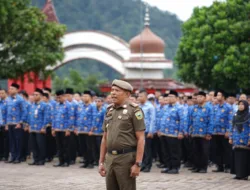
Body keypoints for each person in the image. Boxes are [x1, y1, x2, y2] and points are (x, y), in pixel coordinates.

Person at [98, 79, 145, 190]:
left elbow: (141, 138)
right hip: (110, 158)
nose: (113, 93)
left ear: (127, 94)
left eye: (117, 90)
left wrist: (137, 164)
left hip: (126, 159)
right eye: (112, 90)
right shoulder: (109, 110)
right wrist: (101, 162)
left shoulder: (134, 110)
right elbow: (105, 137)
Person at [185, 91, 213, 173]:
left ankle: (203, 167)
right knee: (195, 151)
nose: (199, 98)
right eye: (198, 97)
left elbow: (211, 121)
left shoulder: (208, 108)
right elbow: (189, 120)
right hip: (194, 133)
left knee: (204, 151)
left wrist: (209, 133)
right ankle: (197, 166)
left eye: (201, 97)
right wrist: (188, 130)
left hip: (204, 134)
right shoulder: (194, 108)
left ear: (204, 98)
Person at [160, 90, 184, 174]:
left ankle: (175, 167)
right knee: (166, 151)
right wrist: (160, 129)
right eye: (168, 97)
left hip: (174, 133)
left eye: (171, 97)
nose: (169, 98)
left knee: (174, 151)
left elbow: (182, 120)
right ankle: (168, 166)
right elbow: (162, 118)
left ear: (176, 98)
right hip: (164, 132)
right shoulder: (166, 107)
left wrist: (181, 132)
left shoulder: (180, 108)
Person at [212, 90, 233, 173]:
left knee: (226, 149)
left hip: (224, 132)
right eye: (217, 95)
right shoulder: (215, 107)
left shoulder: (228, 107)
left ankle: (228, 166)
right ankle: (219, 166)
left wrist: (228, 131)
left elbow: (230, 120)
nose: (217, 97)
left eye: (219, 95)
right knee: (217, 149)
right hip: (216, 131)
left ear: (223, 97)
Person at [6, 83, 27, 164]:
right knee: (11, 141)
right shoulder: (8, 99)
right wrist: (7, 123)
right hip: (10, 123)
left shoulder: (20, 99)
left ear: (17, 90)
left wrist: (20, 122)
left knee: (18, 141)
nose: (10, 90)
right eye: (10, 88)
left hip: (17, 123)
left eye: (12, 89)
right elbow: (7, 112)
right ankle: (13, 156)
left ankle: (18, 157)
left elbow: (24, 111)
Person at [52, 90, 74, 167]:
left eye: (60, 97)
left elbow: (70, 118)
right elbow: (54, 117)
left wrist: (68, 129)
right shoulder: (56, 105)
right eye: (57, 97)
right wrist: (53, 128)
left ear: (64, 96)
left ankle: (66, 161)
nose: (58, 99)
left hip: (65, 129)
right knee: (59, 146)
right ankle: (61, 161)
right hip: (57, 128)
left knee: (66, 146)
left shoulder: (68, 105)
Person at [27, 88, 49, 166]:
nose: (35, 96)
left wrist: (43, 127)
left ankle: (41, 159)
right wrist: (28, 125)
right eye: (34, 95)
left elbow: (46, 117)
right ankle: (35, 159)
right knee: (33, 145)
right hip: (32, 127)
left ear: (41, 96)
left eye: (37, 95)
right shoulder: (32, 105)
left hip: (40, 128)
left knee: (41, 145)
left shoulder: (44, 105)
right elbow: (29, 116)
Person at [230, 100, 250, 180]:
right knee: (236, 157)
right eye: (239, 104)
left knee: (244, 157)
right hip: (236, 138)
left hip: (245, 138)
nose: (240, 106)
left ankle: (244, 174)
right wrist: (231, 137)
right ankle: (238, 173)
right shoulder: (235, 115)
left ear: (246, 106)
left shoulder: (248, 115)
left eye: (242, 104)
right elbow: (232, 126)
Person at [76, 90, 96, 169]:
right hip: (81, 130)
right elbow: (79, 118)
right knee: (83, 147)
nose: (84, 98)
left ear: (90, 98)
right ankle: (86, 161)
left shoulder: (93, 106)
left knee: (89, 147)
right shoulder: (81, 106)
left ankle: (91, 162)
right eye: (83, 96)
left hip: (88, 130)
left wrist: (92, 129)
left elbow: (94, 118)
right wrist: (77, 128)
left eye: (86, 96)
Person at [138, 90, 155, 173]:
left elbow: (152, 119)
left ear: (145, 97)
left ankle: (148, 165)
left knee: (147, 149)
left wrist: (151, 131)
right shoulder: (139, 106)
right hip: (140, 131)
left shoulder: (150, 106)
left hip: (147, 130)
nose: (139, 98)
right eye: (138, 96)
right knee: (142, 149)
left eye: (140, 96)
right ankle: (143, 165)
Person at [93, 97, 106, 165]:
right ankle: (95, 160)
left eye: (99, 101)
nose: (97, 103)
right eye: (96, 101)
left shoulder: (104, 110)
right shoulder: (95, 110)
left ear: (102, 102)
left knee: (100, 147)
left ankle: (101, 160)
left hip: (100, 132)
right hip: (94, 131)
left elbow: (104, 121)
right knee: (94, 146)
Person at [0, 89, 9, 161]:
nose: (1, 95)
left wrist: (7, 124)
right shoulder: (0, 102)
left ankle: (6, 156)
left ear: (6, 93)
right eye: (0, 93)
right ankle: (1, 155)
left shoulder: (8, 102)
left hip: (5, 124)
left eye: (2, 93)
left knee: (6, 141)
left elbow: (9, 114)